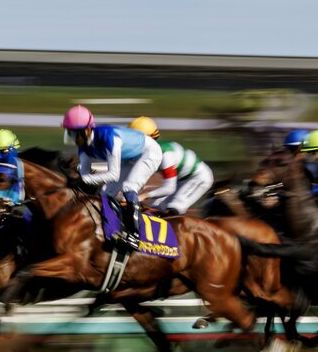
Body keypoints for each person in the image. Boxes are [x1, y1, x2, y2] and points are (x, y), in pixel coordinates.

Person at [63, 104, 163, 250]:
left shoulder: (108, 138)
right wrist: (74, 176)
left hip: (150, 152)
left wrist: (84, 179)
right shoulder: (83, 146)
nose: (73, 138)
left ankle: (135, 235)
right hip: (130, 158)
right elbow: (85, 176)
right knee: (105, 192)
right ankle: (114, 230)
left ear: (87, 130)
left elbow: (113, 175)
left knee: (129, 187)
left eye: (75, 133)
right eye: (70, 133)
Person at [144, 141, 215, 215]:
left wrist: (144, 196)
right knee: (157, 206)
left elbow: (168, 188)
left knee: (175, 206)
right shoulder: (150, 148)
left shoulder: (166, 155)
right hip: (182, 179)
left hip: (198, 177)